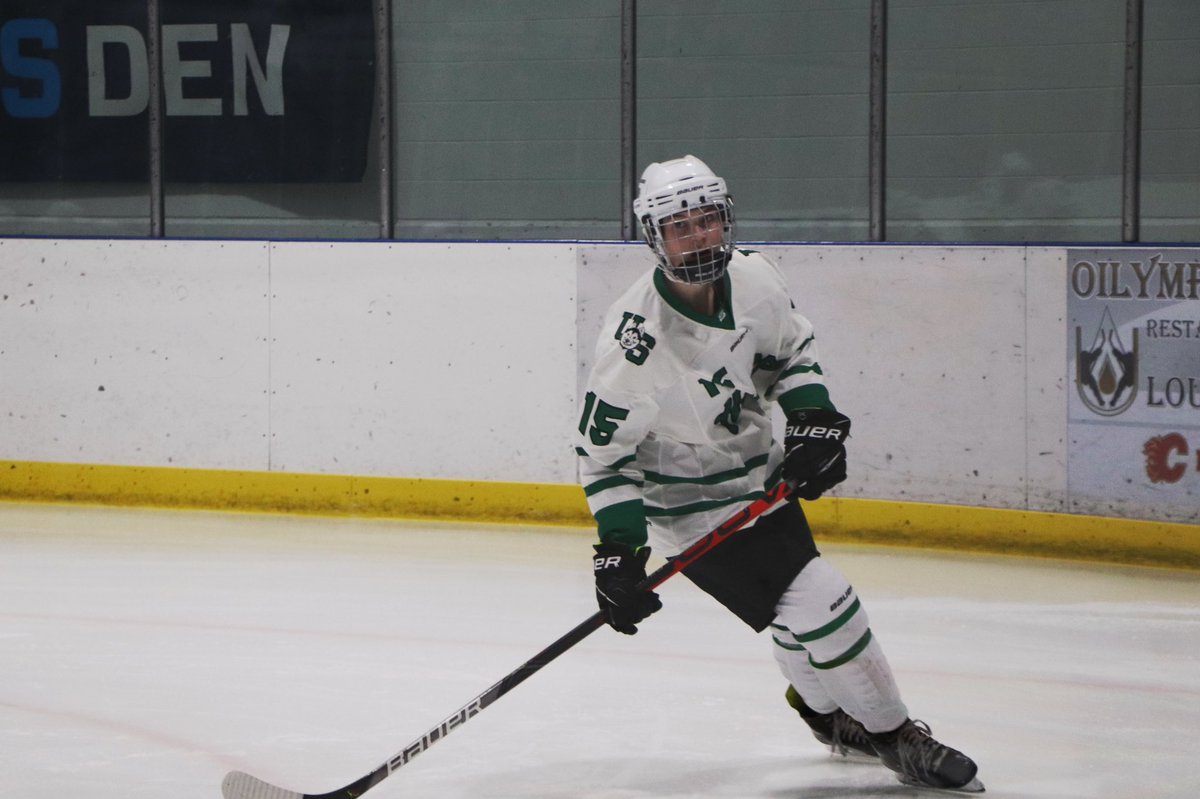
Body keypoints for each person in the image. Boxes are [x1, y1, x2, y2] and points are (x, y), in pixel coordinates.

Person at [575, 155, 983, 793]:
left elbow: (792, 352)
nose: (699, 237)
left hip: (761, 483)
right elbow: (603, 456)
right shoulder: (637, 345)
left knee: (792, 613)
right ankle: (893, 734)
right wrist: (619, 551)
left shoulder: (756, 276)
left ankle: (826, 716)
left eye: (707, 220)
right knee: (824, 601)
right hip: (691, 506)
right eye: (681, 228)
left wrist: (814, 419)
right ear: (654, 238)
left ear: (725, 218)